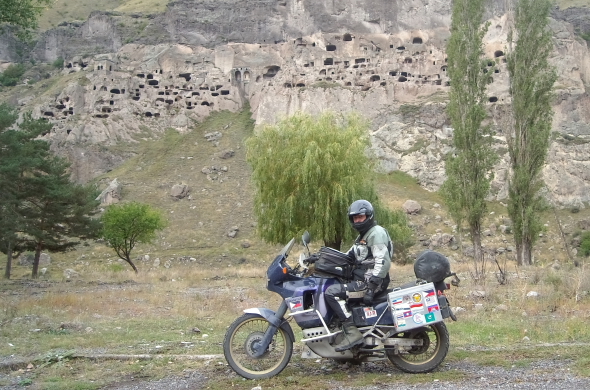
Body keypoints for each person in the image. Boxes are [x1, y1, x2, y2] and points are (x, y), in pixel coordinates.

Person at [324, 199, 393, 352]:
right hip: (364, 279)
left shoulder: (376, 233)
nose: (358, 220)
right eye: (355, 218)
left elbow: (383, 261)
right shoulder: (363, 236)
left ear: (368, 216)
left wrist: (372, 286)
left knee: (331, 293)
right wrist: (322, 258)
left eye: (360, 217)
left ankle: (352, 333)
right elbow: (348, 256)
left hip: (370, 282)